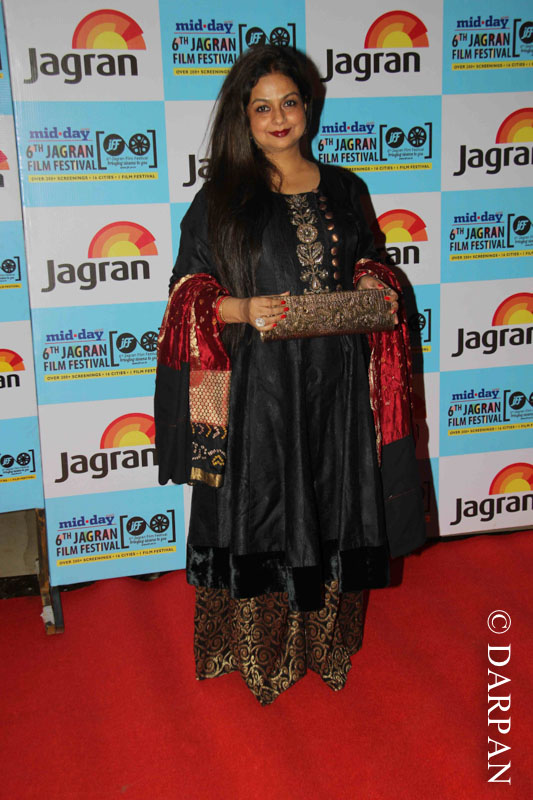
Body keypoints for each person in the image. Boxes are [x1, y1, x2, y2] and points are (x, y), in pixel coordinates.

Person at [155, 45, 425, 705]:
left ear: (308, 107)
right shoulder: (221, 198)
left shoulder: (345, 188)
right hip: (259, 391)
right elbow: (186, 294)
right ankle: (259, 655)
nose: (278, 118)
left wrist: (374, 281)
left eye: (289, 103)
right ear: (242, 119)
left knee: (332, 502)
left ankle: (324, 646)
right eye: (262, 107)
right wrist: (244, 308)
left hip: (337, 386)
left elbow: (370, 259)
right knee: (263, 507)